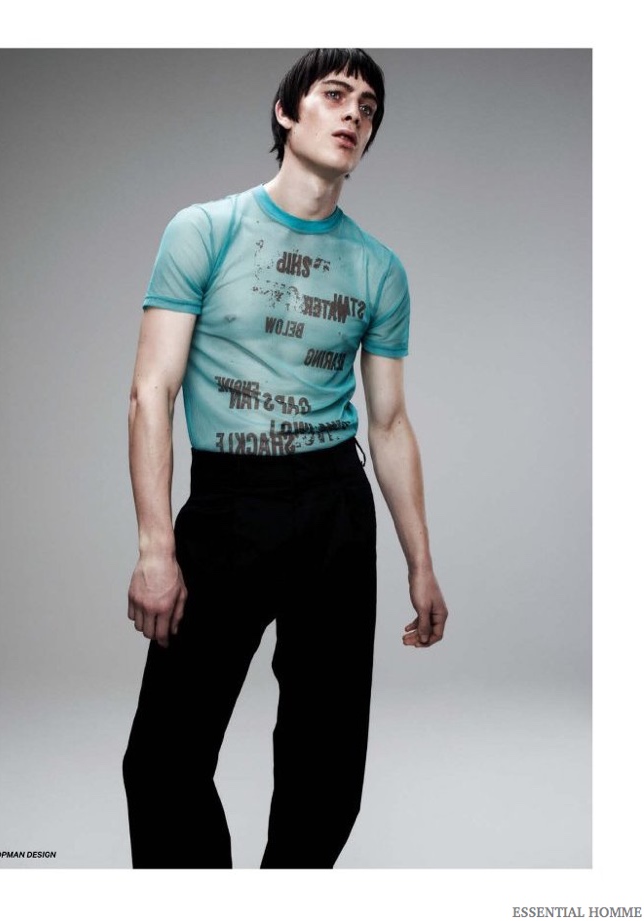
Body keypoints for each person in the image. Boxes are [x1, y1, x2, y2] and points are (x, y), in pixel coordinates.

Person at [122, 48, 448, 869]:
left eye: (368, 108)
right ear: (286, 111)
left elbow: (390, 423)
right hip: (229, 507)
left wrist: (421, 562)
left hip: (334, 505)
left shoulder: (379, 268)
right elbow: (151, 391)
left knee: (325, 768)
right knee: (162, 761)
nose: (354, 115)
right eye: (335, 95)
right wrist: (157, 547)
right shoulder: (205, 230)